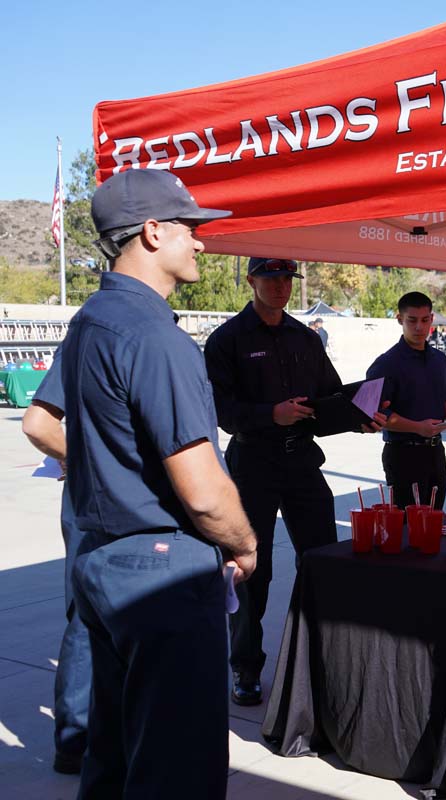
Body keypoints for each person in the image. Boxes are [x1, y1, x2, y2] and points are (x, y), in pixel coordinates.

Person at [60, 168, 258, 797]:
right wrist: (243, 543)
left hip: (103, 559)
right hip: (162, 568)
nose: (201, 243)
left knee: (116, 754)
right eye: (190, 229)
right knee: (177, 764)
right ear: (151, 231)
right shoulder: (154, 335)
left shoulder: (91, 321)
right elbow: (201, 487)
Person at [205, 256, 384, 707]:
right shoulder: (227, 340)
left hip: (302, 462)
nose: (281, 286)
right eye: (271, 278)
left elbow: (325, 402)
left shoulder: (305, 337)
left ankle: (323, 659)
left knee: (323, 561)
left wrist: (357, 415)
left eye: (287, 279)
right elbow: (220, 413)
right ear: (251, 281)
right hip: (253, 466)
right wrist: (271, 414)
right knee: (250, 570)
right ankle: (246, 668)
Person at [21, 357, 89, 775]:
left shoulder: (89, 334)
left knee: (88, 618)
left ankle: (76, 739)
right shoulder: (94, 333)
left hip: (95, 499)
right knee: (88, 619)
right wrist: (87, 457)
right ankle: (77, 737)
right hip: (104, 501)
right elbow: (38, 424)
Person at [368, 292, 446, 509]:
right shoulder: (386, 363)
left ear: (432, 319)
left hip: (435, 452)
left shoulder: (439, 359)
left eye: (425, 320)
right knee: (409, 528)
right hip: (403, 455)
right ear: (400, 320)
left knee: (434, 520)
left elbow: (445, 395)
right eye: (412, 320)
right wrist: (417, 428)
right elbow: (375, 414)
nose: (419, 327)